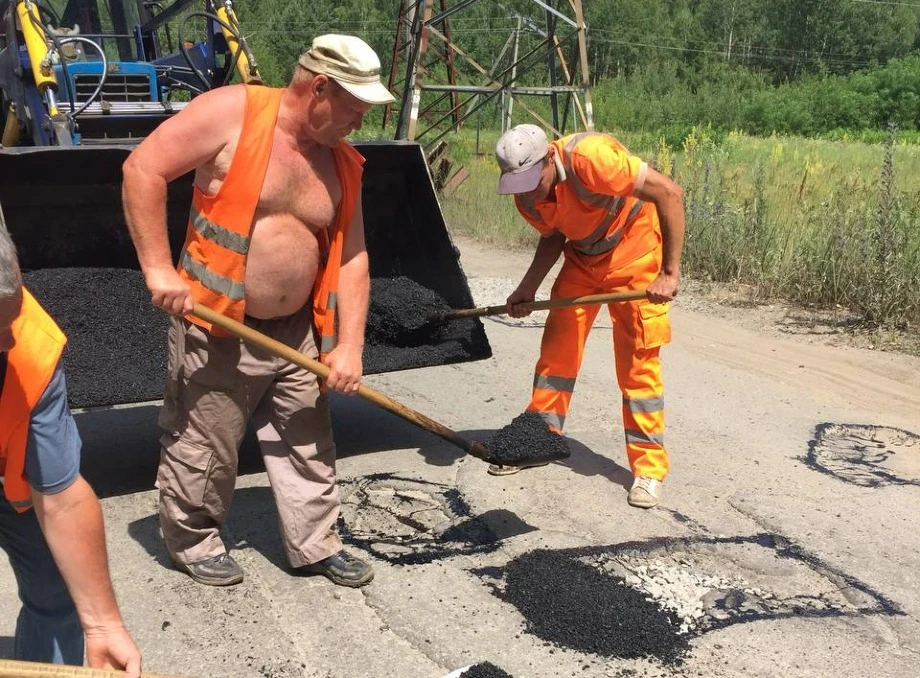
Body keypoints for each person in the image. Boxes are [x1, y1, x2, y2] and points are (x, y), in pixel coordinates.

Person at [121, 34, 394, 588]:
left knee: (307, 436)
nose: (358, 123)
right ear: (319, 87)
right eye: (354, 108)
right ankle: (195, 540)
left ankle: (316, 543)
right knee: (205, 439)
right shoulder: (233, 112)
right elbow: (142, 170)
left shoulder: (342, 162)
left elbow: (355, 255)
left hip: (298, 332)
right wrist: (157, 268)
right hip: (215, 319)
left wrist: (349, 346)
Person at [490, 124, 685, 509]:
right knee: (556, 352)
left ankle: (648, 468)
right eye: (520, 185)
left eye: (534, 180)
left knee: (637, 364)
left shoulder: (591, 158)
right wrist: (528, 287)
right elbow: (553, 236)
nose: (529, 191)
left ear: (550, 158)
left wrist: (670, 272)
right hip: (583, 260)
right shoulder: (524, 195)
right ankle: (539, 439)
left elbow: (669, 193)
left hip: (635, 252)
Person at [0, 208, 141, 674]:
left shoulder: (27, 345)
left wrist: (102, 625)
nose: (4, 344)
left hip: (8, 480)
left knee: (55, 594)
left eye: (5, 324)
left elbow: (60, 496)